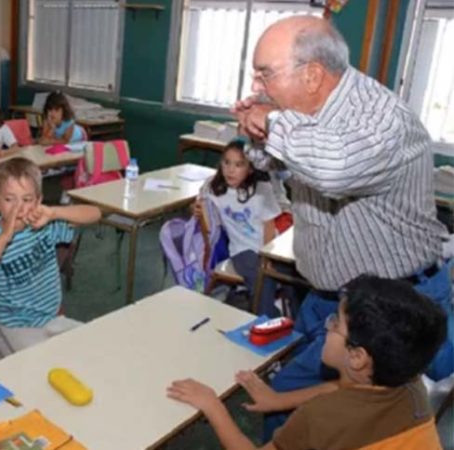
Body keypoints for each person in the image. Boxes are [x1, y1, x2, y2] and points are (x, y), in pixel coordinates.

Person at [230, 15, 453, 433]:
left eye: (265, 74)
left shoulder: (381, 117)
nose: (257, 87)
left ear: (312, 74)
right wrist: (258, 134)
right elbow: (274, 163)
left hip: (393, 306)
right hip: (330, 297)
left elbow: (334, 171)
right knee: (299, 407)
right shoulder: (302, 110)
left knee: (358, 423)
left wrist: (271, 122)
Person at [167, 275, 447, 450]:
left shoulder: (320, 418)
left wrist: (212, 405)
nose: (327, 326)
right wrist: (279, 401)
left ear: (358, 356)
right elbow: (343, 389)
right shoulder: (410, 386)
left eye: (335, 322)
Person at [0, 157, 101, 357]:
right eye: (9, 199)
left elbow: (95, 213)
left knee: (92, 346)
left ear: (38, 201)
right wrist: (3, 239)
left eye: (27, 200)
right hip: (13, 325)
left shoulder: (44, 225)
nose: (18, 208)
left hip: (52, 319)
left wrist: (54, 212)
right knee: (38, 367)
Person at [194, 139, 282, 316]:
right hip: (241, 250)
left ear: (250, 168)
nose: (230, 170)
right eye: (226, 162)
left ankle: (288, 320)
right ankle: (267, 318)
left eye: (239, 164)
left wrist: (268, 258)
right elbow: (200, 205)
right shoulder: (214, 188)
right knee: (262, 278)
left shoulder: (262, 190)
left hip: (268, 247)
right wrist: (197, 210)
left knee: (293, 277)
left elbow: (269, 228)